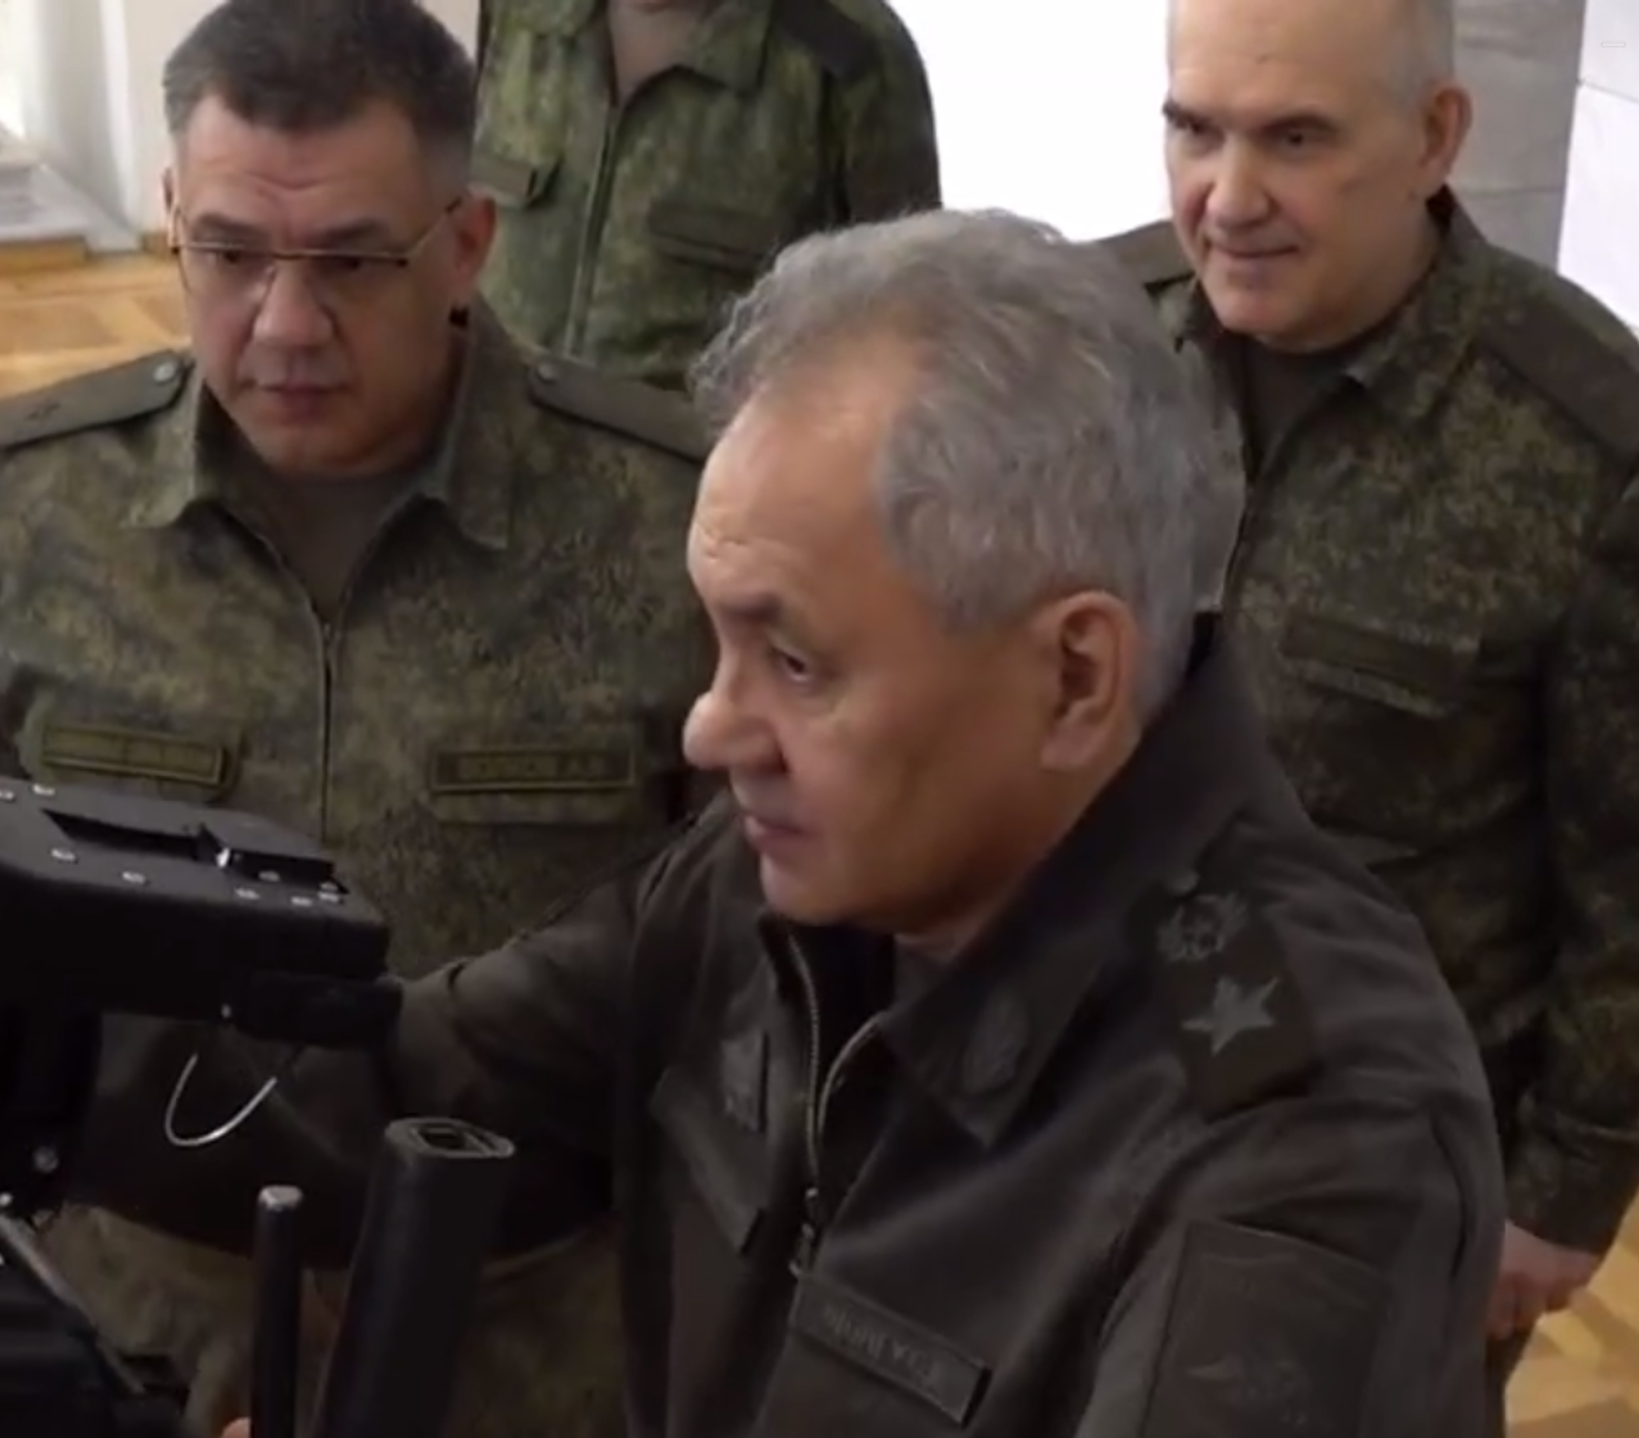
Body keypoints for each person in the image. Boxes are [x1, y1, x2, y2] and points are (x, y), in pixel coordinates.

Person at [82, 207, 1506, 1437]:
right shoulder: (772, 881)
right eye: (719, 642)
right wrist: (0, 1039)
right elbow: (409, 1093)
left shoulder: (1308, 1129)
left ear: (1075, 675)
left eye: (799, 661)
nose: (712, 728)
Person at [0, 1, 712, 1435]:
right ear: (170, 220)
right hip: (138, 1342)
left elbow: (752, 975)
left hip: (538, 1352)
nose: (283, 324)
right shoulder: (49, 500)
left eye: (350, 261)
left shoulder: (663, 522)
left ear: (467, 242)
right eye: (229, 253)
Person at [1098, 0, 1639, 1425]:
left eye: (1295, 140)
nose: (1229, 197)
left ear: (1434, 137)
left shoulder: (1587, 447)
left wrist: (1560, 1194)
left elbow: (1629, 886)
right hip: (1087, 1103)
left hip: (1379, 1173)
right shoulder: (1103, 341)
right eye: (1195, 129)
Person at [471, 0, 941, 391]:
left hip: (709, 471)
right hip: (496, 457)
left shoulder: (848, 57)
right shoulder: (521, 14)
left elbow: (905, 347)